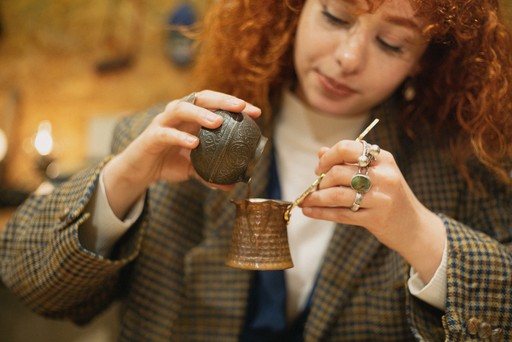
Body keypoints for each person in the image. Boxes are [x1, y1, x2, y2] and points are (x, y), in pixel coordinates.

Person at [1, 0, 511, 340]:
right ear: (295, 9)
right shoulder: (168, 137)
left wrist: (421, 234)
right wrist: (122, 181)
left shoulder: (466, 172)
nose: (348, 58)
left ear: (423, 59)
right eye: (334, 17)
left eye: (391, 43)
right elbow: (31, 281)